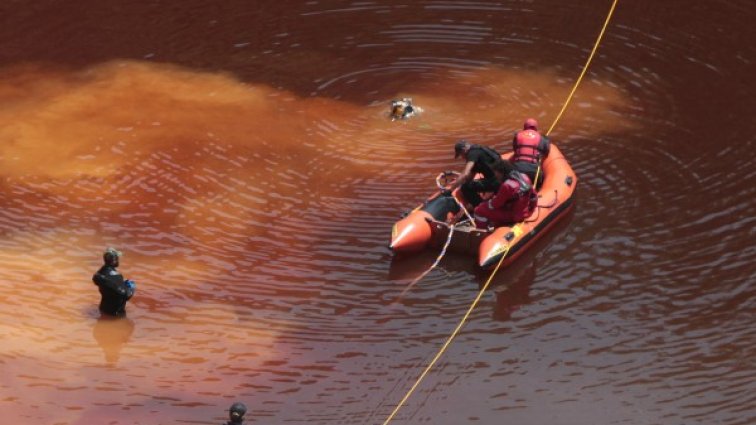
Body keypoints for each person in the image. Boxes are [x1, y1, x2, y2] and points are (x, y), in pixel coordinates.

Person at [473, 160, 537, 229]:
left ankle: (482, 231)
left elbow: (495, 204)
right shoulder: (525, 177)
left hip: (514, 216)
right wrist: (532, 209)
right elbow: (534, 196)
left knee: (479, 210)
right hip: (524, 212)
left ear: (501, 172)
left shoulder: (507, 185)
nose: (496, 176)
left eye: (496, 173)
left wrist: (487, 202)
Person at [443, 139, 504, 207]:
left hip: (496, 181)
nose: (462, 157)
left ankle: (481, 208)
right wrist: (458, 181)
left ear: (464, 150)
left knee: (465, 188)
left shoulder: (472, 154)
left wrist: (451, 189)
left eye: (461, 155)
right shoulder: (479, 150)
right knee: (469, 185)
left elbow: (465, 174)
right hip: (501, 178)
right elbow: (470, 177)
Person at [92, 247, 135, 317]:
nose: (118, 260)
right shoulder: (116, 276)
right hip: (115, 314)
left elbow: (111, 287)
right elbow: (126, 295)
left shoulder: (100, 274)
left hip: (103, 309)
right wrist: (131, 287)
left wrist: (121, 284)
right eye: (117, 258)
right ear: (114, 260)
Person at [511, 118, 550, 187]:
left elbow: (515, 149)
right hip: (533, 171)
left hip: (517, 169)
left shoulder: (517, 135)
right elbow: (546, 151)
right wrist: (546, 139)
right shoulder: (541, 138)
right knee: (539, 184)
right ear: (536, 128)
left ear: (524, 127)